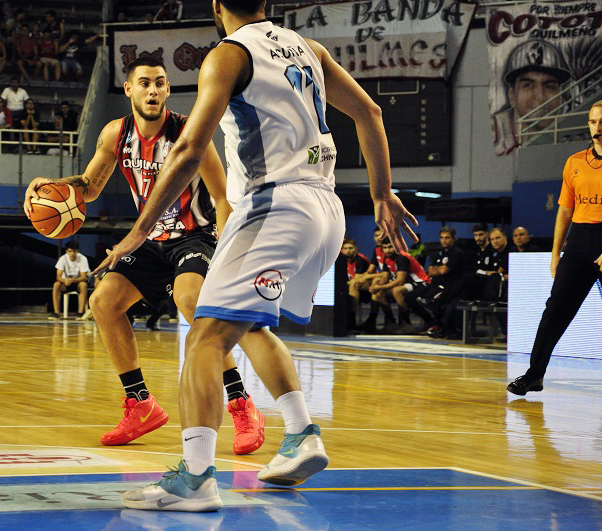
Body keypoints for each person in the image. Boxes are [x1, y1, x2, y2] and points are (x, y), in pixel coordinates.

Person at [93, 0, 416, 511]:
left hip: (274, 204)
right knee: (244, 327)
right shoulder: (308, 49)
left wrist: (138, 231)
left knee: (204, 338)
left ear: (216, 5)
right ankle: (301, 434)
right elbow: (369, 113)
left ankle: (195, 479)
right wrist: (381, 193)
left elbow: (189, 150)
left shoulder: (228, 54)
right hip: (326, 209)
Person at [24, 56, 267, 456]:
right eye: (144, 83)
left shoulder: (190, 130)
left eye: (159, 83)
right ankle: (140, 404)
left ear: (167, 89)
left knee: (190, 300)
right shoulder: (115, 134)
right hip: (150, 240)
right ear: (129, 89)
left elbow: (222, 197)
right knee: (103, 303)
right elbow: (89, 187)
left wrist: (227, 253)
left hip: (195, 235)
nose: (153, 90)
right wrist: (51, 184)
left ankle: (241, 403)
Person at [508, 102, 602, 395]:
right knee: (555, 311)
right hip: (580, 242)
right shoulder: (575, 162)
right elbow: (565, 211)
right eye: (593, 121)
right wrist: (555, 254)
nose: (598, 127)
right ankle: (534, 375)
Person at [492, 40, 571, 156]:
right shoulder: (494, 132)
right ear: (512, 96)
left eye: (549, 86)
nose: (540, 97)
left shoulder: (572, 129)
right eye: (528, 85)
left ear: (560, 95)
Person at [405, 226, 465, 334]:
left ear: (453, 239)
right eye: (442, 237)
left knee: (432, 299)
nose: (444, 240)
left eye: (447, 238)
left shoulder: (457, 253)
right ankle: (429, 321)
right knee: (410, 297)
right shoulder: (440, 253)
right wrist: (440, 269)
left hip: (448, 287)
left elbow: (444, 270)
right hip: (434, 284)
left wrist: (439, 269)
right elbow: (430, 271)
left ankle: (440, 324)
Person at [369, 239, 430, 332]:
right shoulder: (387, 258)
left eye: (390, 247)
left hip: (421, 283)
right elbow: (385, 277)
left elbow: (400, 281)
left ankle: (406, 323)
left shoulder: (402, 257)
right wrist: (375, 287)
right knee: (378, 294)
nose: (387, 250)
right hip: (408, 283)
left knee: (397, 290)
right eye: (385, 248)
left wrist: (380, 287)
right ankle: (391, 322)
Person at [51, 241, 89, 318]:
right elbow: (58, 277)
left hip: (78, 282)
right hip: (65, 283)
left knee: (83, 285)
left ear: (77, 251)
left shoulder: (83, 259)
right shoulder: (62, 259)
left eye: (74, 251)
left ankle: (80, 312)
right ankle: (56, 312)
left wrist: (72, 280)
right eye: (70, 251)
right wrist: (65, 281)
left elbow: (83, 277)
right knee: (56, 285)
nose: (72, 253)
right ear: (66, 251)